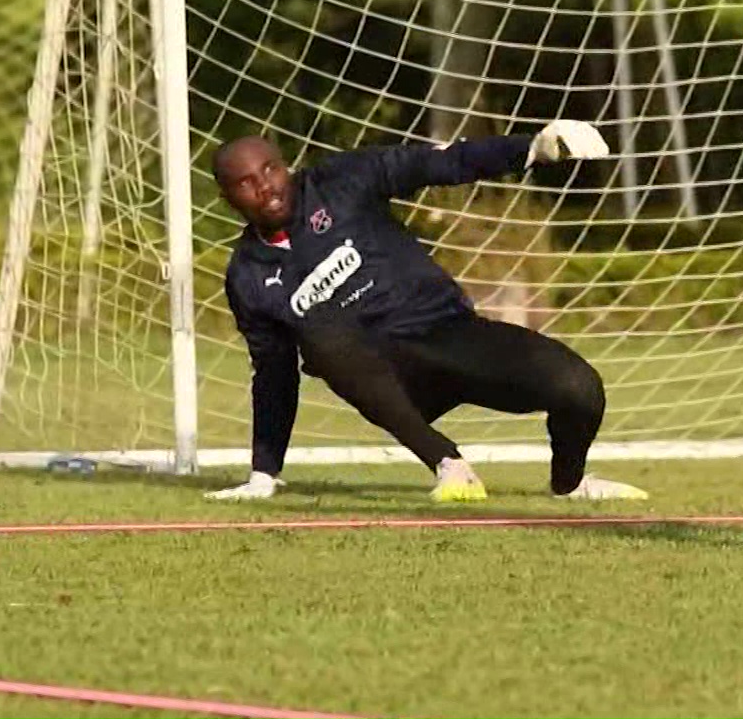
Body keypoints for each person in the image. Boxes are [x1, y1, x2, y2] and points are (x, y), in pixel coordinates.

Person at [208, 121, 649, 503]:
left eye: (270, 169)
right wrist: (264, 473)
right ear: (229, 198)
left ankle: (569, 485)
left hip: (451, 335)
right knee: (321, 342)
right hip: (390, 381)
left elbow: (440, 163)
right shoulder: (248, 276)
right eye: (246, 181)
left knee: (579, 388)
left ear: (286, 167)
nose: (265, 186)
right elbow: (273, 376)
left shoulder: (341, 181)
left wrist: (532, 148)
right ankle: (449, 465)